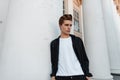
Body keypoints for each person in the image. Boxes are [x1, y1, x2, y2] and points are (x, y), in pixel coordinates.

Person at [50, 14, 92, 80]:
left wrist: (87, 74)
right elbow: (53, 61)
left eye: (70, 25)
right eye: (66, 25)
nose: (69, 27)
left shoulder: (77, 41)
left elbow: (84, 59)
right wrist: (53, 75)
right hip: (61, 76)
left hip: (79, 75)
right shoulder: (54, 43)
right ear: (60, 26)